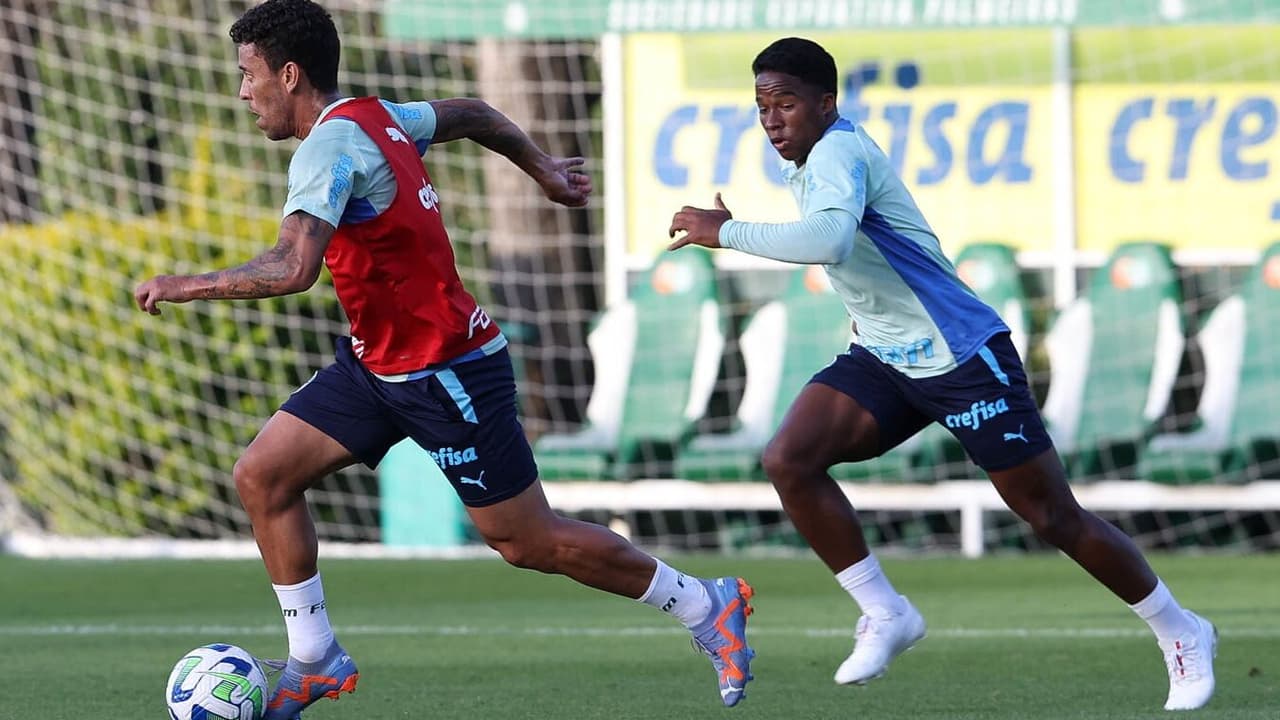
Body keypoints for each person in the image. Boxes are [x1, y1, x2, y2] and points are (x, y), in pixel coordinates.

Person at [133, 1, 754, 715]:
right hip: (379, 365)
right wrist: (544, 169)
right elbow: (473, 113)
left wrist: (183, 285)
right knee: (263, 476)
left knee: (526, 541)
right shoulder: (378, 115)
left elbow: (290, 268)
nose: (243, 92)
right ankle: (314, 658)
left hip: (448, 371)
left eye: (248, 75)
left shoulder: (330, 148)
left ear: (290, 73)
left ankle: (707, 605)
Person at [667, 37, 1216, 712]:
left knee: (1052, 517)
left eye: (785, 103)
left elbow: (828, 241)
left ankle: (1182, 631)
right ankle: (886, 612)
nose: (772, 119)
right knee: (790, 458)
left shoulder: (839, 148)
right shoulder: (809, 159)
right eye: (761, 106)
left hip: (960, 357)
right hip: (885, 356)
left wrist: (726, 232)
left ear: (826, 104)